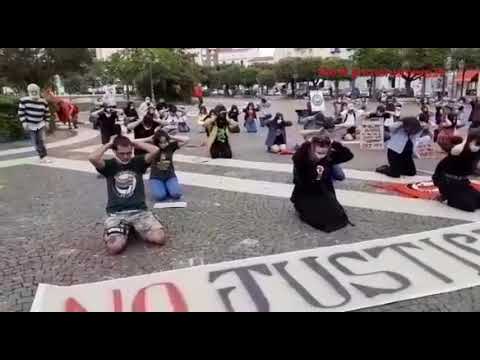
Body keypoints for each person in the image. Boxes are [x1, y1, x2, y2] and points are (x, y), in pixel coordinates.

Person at [88, 135, 166, 254]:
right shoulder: (109, 165)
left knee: (159, 238)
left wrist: (136, 143)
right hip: (117, 214)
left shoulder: (138, 162)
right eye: (121, 153)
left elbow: (155, 150)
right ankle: (119, 230)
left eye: (129, 153)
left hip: (140, 212)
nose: (126, 156)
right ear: (114, 151)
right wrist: (108, 144)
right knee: (114, 247)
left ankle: (134, 228)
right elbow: (92, 157)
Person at [291, 136, 354, 232]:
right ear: (312, 149)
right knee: (317, 217)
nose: (321, 156)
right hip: (307, 191)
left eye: (324, 153)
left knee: (335, 216)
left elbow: (348, 155)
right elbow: (296, 158)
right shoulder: (305, 158)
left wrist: (334, 143)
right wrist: (307, 142)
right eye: (319, 153)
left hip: (323, 190)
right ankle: (300, 206)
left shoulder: (328, 158)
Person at [433, 129, 480, 212]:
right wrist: (439, 183)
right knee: (469, 206)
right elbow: (441, 166)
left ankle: (450, 195)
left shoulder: (476, 150)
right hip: (449, 182)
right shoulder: (458, 150)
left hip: (463, 183)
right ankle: (447, 196)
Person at [149, 130, 189, 202]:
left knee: (176, 194)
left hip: (169, 176)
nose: (164, 144)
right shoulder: (152, 147)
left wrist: (170, 137)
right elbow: (134, 142)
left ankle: (168, 187)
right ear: (156, 142)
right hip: (156, 177)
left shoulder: (170, 146)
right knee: (160, 196)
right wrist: (149, 139)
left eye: (165, 142)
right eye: (161, 142)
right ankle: (164, 188)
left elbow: (186, 140)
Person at [18, 84, 51, 163]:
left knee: (41, 140)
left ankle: (44, 156)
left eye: (35, 91)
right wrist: (24, 122)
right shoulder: (23, 100)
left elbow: (47, 113)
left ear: (38, 91)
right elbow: (21, 112)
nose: (34, 93)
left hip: (40, 124)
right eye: (32, 91)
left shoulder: (43, 101)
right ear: (29, 92)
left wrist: (47, 122)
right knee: (35, 142)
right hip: (30, 124)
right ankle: (41, 154)